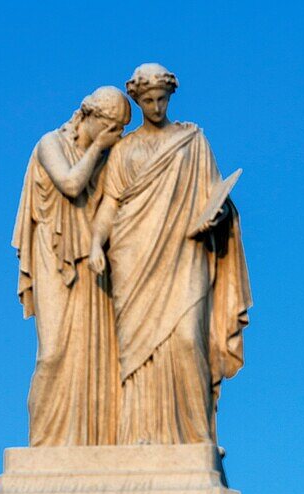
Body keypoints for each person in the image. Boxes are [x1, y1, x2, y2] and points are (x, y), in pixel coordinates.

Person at [89, 63, 251, 445]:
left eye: (162, 98)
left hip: (186, 252)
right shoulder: (124, 150)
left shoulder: (192, 141)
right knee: (137, 355)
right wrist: (96, 243)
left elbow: (217, 195)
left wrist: (219, 214)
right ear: (137, 100)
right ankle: (137, 436)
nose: (157, 106)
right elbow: (109, 205)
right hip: (133, 258)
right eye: (149, 100)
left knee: (187, 340)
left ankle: (195, 437)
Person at [13, 87, 131, 446]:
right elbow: (69, 183)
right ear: (89, 116)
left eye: (121, 130)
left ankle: (92, 440)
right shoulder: (50, 143)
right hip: (53, 254)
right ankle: (44, 444)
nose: (117, 136)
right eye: (112, 127)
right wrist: (98, 148)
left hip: (92, 264)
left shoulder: (110, 159)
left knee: (94, 355)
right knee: (53, 354)